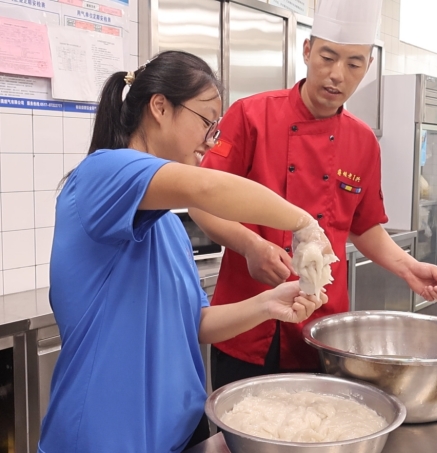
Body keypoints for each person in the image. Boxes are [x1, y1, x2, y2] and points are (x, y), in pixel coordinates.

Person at [38, 50, 331, 453]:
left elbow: (195, 324)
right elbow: (206, 188)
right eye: (207, 122)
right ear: (159, 107)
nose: (211, 141)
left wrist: (268, 304)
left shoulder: (169, 228)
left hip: (178, 435)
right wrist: (304, 223)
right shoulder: (100, 174)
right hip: (104, 437)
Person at [189, 0, 437, 391]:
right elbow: (200, 199)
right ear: (307, 50)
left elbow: (365, 227)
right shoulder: (251, 116)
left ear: (368, 66)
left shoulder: (363, 142)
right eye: (327, 57)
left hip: (321, 324)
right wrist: (251, 246)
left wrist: (408, 268)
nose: (337, 75)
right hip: (247, 320)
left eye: (354, 64)